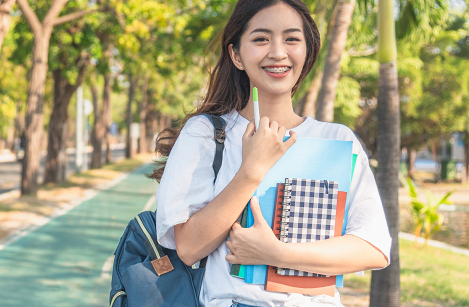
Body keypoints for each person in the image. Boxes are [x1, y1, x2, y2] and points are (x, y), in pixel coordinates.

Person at [149, 1, 392, 306]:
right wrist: (251, 172)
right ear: (236, 54)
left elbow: (374, 247)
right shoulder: (207, 133)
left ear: (307, 52)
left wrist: (275, 253)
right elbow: (188, 246)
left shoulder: (337, 139)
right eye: (261, 39)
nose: (278, 52)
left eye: (292, 39)